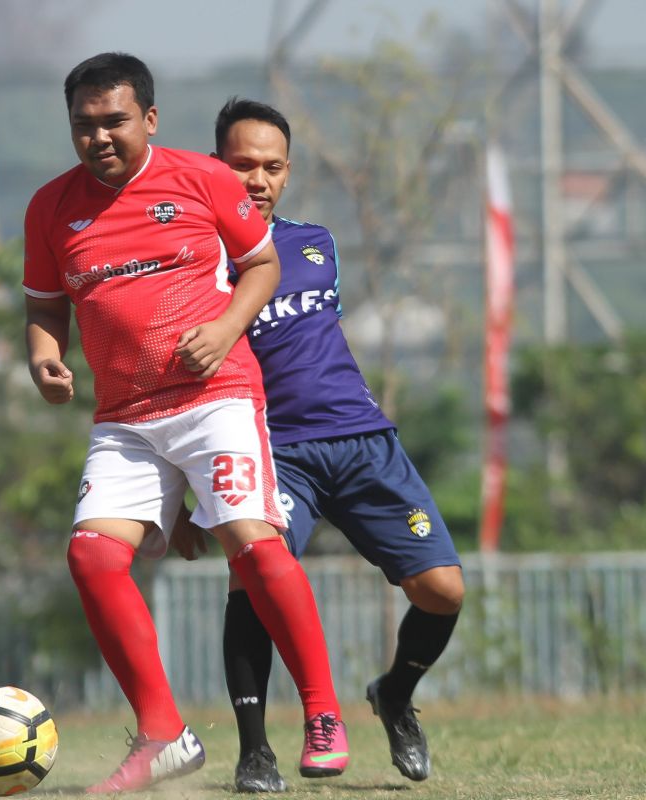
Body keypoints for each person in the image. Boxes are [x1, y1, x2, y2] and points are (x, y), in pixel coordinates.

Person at [23, 55, 347, 793]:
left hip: (216, 398)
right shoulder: (50, 207)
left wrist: (227, 329)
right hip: (126, 417)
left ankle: (323, 712)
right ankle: (163, 733)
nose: (99, 137)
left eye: (115, 121)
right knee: (91, 557)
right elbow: (45, 305)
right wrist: (44, 358)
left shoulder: (203, 180)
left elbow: (262, 265)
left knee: (253, 546)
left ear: (150, 119)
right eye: (84, 125)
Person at [171, 98, 464, 792]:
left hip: (362, 439)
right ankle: (255, 753)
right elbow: (179, 382)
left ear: (288, 171)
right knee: (253, 576)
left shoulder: (315, 243)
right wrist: (180, 493)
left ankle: (394, 694)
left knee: (442, 590)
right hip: (275, 451)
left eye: (273, 167)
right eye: (243, 164)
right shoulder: (191, 265)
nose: (258, 179)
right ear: (215, 166)